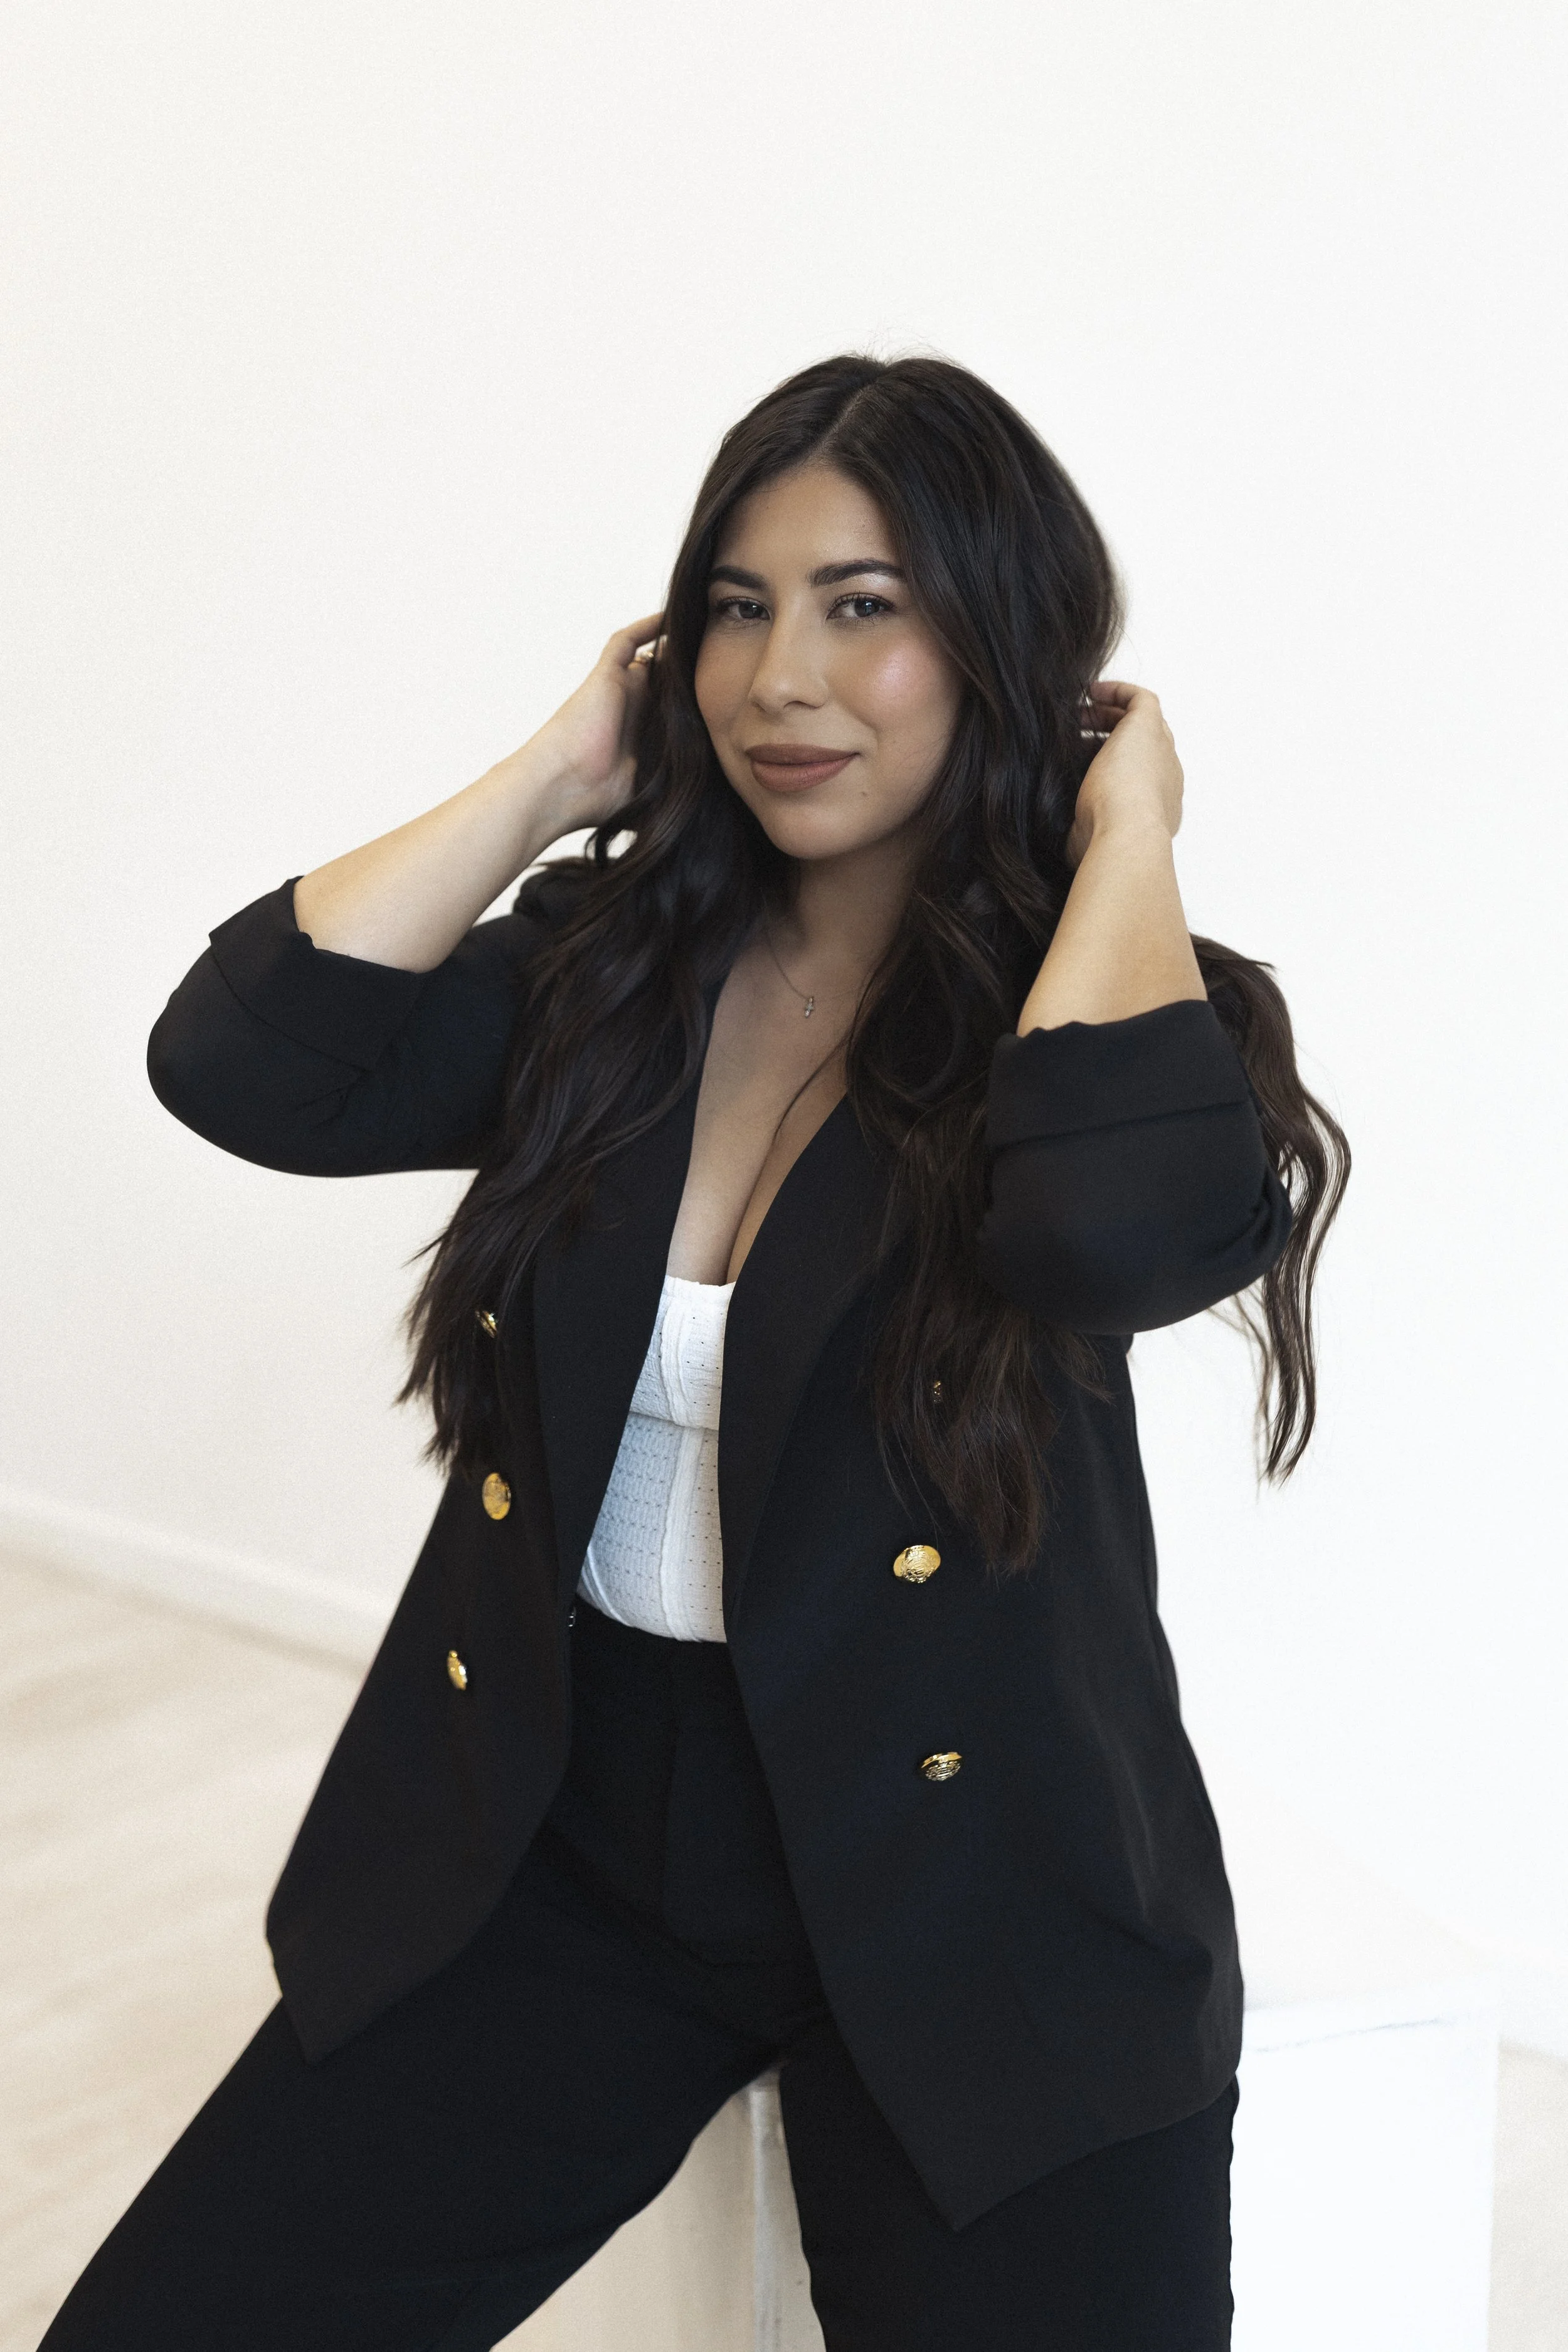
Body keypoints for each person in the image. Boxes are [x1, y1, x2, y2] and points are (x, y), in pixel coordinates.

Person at [43, 354, 1347, 2351]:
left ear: (1003, 640)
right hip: (566, 1834)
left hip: (980, 1875)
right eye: (735, 606)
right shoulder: (610, 975)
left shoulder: (1122, 1021)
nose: (778, 677)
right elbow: (240, 1061)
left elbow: (1101, 1233)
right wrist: (563, 769)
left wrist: (1124, 836)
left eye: (863, 604)